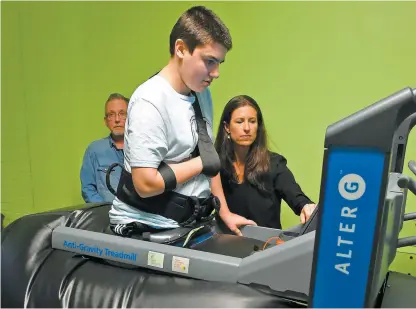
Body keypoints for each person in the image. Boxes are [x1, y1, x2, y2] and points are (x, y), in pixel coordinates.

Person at [109, 6, 256, 236]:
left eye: (219, 63)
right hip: (148, 226)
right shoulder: (150, 102)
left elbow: (207, 153)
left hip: (190, 224)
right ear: (180, 49)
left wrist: (224, 212)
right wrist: (201, 163)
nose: (216, 72)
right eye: (209, 61)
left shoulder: (199, 91)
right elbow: (145, 184)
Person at [212, 95, 317, 234]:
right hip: (225, 248)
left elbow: (295, 195)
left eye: (252, 121)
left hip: (266, 247)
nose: (247, 128)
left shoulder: (274, 164)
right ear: (227, 127)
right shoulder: (214, 166)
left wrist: (306, 206)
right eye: (239, 121)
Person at [80, 93, 129, 203]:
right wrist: (105, 212)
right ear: (106, 121)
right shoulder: (94, 150)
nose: (117, 119)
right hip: (106, 217)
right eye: (111, 115)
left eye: (122, 114)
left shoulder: (142, 148)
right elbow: (88, 189)